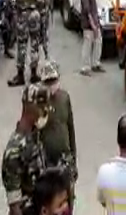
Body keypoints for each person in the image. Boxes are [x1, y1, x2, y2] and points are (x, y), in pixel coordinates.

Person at [2, 84, 49, 215]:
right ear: (29, 107)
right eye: (40, 107)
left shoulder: (34, 134)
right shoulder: (14, 151)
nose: (44, 111)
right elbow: (14, 206)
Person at [38, 60, 77, 211]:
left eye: (53, 81)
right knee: (50, 201)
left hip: (64, 157)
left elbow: (70, 128)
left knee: (68, 197)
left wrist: (74, 159)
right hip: (46, 160)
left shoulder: (65, 98)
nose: (51, 86)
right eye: (48, 82)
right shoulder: (39, 102)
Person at [8, 0, 43, 87]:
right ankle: (34, 74)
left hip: (22, 15)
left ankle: (20, 75)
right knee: (34, 44)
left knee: (21, 45)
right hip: (34, 13)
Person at [80, 0, 104, 76]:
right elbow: (87, 12)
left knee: (98, 42)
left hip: (95, 22)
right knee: (88, 44)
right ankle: (85, 68)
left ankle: (95, 63)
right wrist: (93, 25)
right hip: (88, 24)